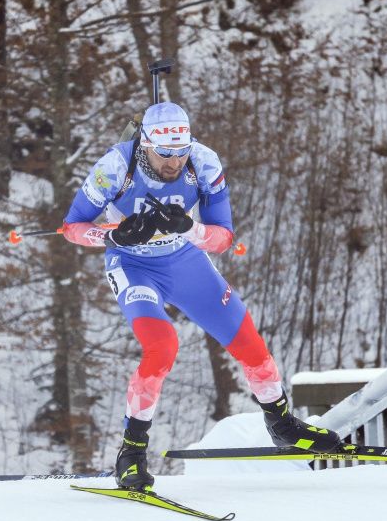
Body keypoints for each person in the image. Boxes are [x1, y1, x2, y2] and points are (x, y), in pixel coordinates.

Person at [61, 102, 343, 490]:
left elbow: (223, 237)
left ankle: (282, 424)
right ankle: (131, 452)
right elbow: (72, 227)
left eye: (180, 152)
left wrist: (190, 229)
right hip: (133, 266)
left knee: (249, 342)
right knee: (162, 346)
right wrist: (112, 234)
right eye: (165, 154)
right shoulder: (115, 166)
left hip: (184, 262)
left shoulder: (204, 162)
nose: (174, 163)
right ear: (145, 145)